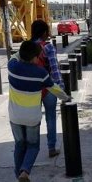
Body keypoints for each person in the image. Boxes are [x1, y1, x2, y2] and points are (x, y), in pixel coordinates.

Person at [8, 41, 70, 182]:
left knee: (19, 145)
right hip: (32, 117)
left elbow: (15, 56)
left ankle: (19, 176)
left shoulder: (12, 66)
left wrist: (24, 50)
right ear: (35, 57)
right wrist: (66, 97)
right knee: (33, 146)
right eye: (38, 56)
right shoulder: (40, 73)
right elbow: (53, 88)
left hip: (15, 116)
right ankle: (25, 172)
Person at [30, 20, 63, 158]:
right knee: (50, 117)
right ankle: (51, 148)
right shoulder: (48, 47)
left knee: (34, 119)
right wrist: (61, 89)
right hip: (48, 88)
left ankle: (33, 148)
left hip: (32, 89)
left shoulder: (27, 47)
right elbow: (55, 70)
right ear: (44, 33)